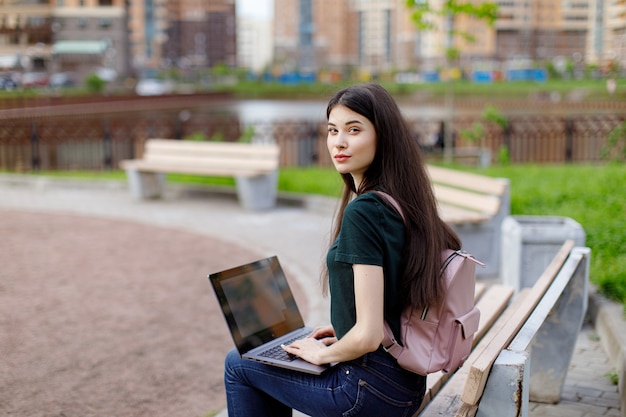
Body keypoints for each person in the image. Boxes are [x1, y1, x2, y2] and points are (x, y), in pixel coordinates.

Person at [224, 83, 462, 417]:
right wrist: (344, 327)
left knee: (239, 363)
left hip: (366, 390)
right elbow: (390, 302)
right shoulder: (403, 203)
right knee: (267, 358)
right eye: (333, 130)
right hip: (403, 385)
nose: (339, 141)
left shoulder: (364, 211)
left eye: (354, 129)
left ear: (384, 136)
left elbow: (367, 337)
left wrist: (319, 354)